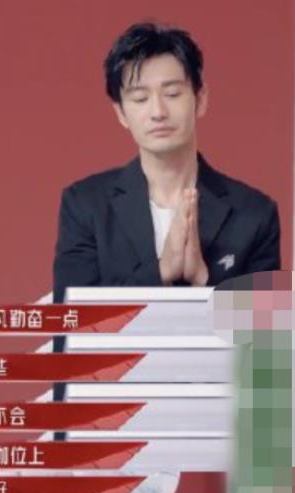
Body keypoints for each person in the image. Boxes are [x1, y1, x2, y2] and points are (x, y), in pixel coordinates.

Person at [53, 22, 280, 303]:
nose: (158, 112)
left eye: (172, 94)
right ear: (121, 113)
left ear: (200, 99)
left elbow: (266, 330)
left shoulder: (254, 213)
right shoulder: (86, 206)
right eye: (140, 98)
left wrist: (204, 282)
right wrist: (161, 273)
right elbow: (73, 321)